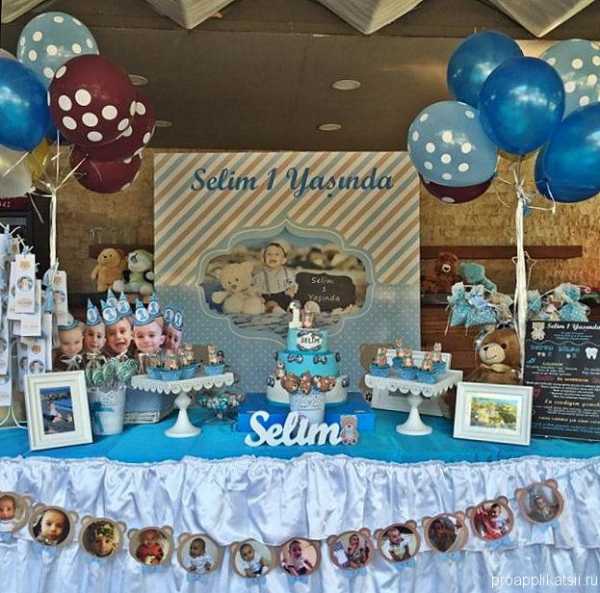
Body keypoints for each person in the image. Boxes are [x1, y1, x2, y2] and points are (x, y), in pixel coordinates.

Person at [253, 242, 297, 314]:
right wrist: (258, 296)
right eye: (269, 254)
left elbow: (292, 283)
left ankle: (295, 312)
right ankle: (278, 311)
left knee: (295, 303)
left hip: (284, 295)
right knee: (271, 304)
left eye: (277, 254)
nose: (272, 257)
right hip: (268, 296)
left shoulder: (287, 273)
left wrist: (292, 289)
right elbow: (255, 288)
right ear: (263, 259)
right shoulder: (260, 275)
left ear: (284, 260)